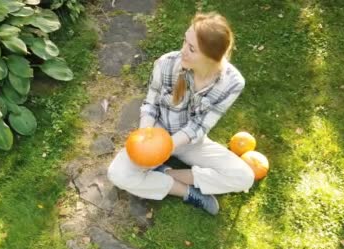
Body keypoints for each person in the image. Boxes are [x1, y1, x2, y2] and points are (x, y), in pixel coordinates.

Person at [107, 12, 254, 216]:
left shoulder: (232, 83)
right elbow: (150, 105)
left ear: (211, 58)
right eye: (185, 41)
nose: (183, 51)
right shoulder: (166, 64)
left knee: (244, 177)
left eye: (192, 49)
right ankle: (186, 192)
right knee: (117, 174)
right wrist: (146, 139)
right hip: (157, 133)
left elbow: (199, 126)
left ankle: (166, 172)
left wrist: (167, 149)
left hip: (191, 143)